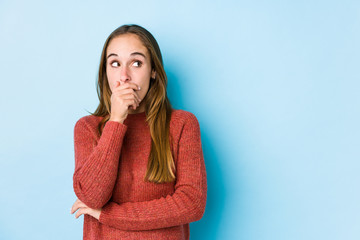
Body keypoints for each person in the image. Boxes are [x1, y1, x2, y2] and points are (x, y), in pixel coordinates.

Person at [70, 24, 207, 240]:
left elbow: (191, 204)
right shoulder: (88, 128)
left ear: (153, 70)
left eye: (136, 63)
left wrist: (109, 215)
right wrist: (115, 121)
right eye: (115, 63)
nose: (124, 76)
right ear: (105, 72)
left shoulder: (182, 124)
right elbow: (92, 196)